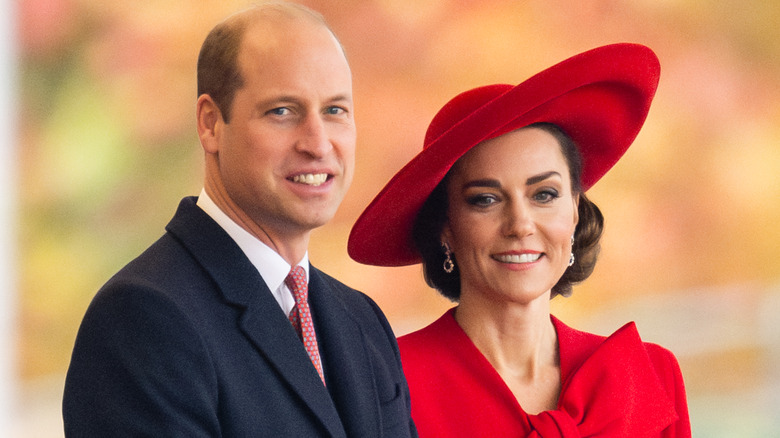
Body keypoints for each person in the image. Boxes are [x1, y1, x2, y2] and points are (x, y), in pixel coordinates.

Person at [63, 2, 416, 436]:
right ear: (211, 124)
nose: (318, 143)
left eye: (335, 110)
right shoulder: (144, 318)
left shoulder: (361, 319)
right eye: (282, 111)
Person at [348, 43, 691, 437]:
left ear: (575, 211)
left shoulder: (648, 376)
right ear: (445, 225)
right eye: (486, 200)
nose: (520, 224)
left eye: (544, 194)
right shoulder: (385, 385)